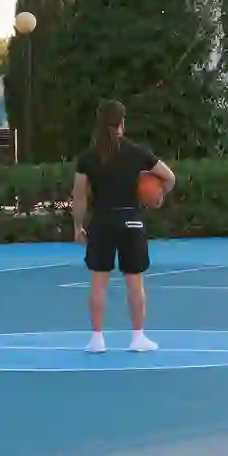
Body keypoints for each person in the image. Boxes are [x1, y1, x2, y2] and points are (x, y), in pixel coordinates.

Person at [72, 99, 175, 353]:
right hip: (131, 219)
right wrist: (157, 198)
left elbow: (79, 195)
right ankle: (138, 337)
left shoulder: (88, 157)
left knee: (98, 282)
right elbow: (169, 176)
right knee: (135, 282)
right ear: (122, 123)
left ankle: (97, 339)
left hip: (102, 220)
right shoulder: (137, 152)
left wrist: (77, 225)